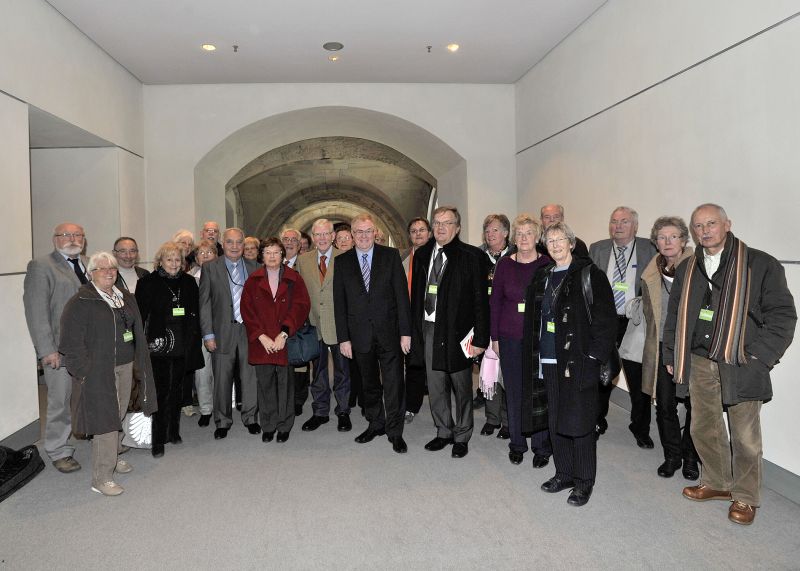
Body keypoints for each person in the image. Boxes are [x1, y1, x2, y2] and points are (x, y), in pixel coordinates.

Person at [663, 203, 796, 525]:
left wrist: (760, 358)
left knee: (746, 436)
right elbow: (675, 315)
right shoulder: (688, 267)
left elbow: (783, 317)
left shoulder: (760, 264)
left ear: (727, 225)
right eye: (698, 226)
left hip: (741, 363)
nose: (704, 230)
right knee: (703, 427)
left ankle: (746, 497)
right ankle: (718, 483)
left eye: (711, 223)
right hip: (697, 360)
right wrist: (671, 355)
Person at [523, 222, 617, 507]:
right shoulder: (542, 275)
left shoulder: (589, 274)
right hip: (548, 358)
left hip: (579, 360)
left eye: (559, 239)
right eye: (549, 240)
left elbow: (606, 322)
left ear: (571, 243)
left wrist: (593, 359)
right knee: (555, 420)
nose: (554, 244)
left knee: (581, 421)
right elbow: (533, 318)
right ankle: (563, 472)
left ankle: (584, 481)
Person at [59, 251, 156, 495]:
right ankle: (101, 478)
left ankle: (112, 456)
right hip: (98, 371)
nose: (109, 272)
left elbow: (134, 329)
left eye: (112, 268)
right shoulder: (81, 301)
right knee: (105, 421)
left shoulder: (123, 296)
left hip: (125, 366)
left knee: (119, 414)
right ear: (91, 273)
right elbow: (70, 343)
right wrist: (84, 372)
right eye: (102, 268)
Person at [410, 206, 490, 458]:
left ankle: (462, 435)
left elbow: (481, 302)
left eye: (447, 223)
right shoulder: (422, 254)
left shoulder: (471, 256)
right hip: (429, 328)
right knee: (435, 386)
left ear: (458, 227)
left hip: (458, 333)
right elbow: (415, 297)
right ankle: (443, 431)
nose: (441, 228)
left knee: (461, 386)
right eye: (437, 223)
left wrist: (480, 338)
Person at [333, 213, 412, 453]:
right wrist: (343, 338)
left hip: (389, 333)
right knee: (368, 385)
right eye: (359, 232)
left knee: (394, 383)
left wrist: (406, 333)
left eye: (368, 231)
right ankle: (375, 423)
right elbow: (340, 302)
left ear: (375, 232)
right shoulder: (343, 261)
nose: (364, 236)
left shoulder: (390, 256)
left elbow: (401, 296)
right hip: (359, 335)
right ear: (352, 234)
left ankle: (395, 431)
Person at [23, 222, 88, 473]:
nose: (72, 238)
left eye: (77, 234)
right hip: (60, 349)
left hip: (90, 346)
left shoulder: (89, 263)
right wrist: (46, 350)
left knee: (86, 395)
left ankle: (89, 433)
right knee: (60, 400)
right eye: (66, 235)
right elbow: (36, 312)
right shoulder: (41, 266)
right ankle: (58, 450)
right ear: (55, 239)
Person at [589, 206, 656, 445]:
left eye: (624, 222)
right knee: (603, 372)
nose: (618, 226)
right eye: (614, 221)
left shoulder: (650, 248)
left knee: (638, 376)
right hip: (605, 320)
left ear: (635, 226)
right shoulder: (597, 249)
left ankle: (640, 427)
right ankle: (597, 419)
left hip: (635, 322)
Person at [637, 217, 698, 479]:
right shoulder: (652, 270)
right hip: (662, 346)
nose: (668, 242)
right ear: (655, 242)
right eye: (662, 237)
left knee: (696, 406)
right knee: (664, 404)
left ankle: (691, 457)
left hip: (693, 348)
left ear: (684, 240)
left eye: (673, 236)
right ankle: (672, 455)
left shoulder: (698, 267)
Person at [490, 214, 552, 467]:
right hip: (510, 337)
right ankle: (517, 442)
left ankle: (541, 446)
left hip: (539, 340)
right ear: (514, 238)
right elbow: (494, 303)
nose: (524, 238)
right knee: (514, 390)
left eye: (529, 233)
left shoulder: (547, 264)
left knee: (539, 391)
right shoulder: (505, 265)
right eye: (520, 233)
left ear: (537, 237)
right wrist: (494, 337)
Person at [136, 242, 204, 457]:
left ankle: (173, 431)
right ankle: (158, 440)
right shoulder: (147, 283)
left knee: (178, 390)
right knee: (161, 391)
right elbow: (140, 316)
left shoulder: (189, 282)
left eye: (177, 260)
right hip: (159, 345)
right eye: (169, 259)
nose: (174, 264)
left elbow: (195, 313)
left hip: (184, 344)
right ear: (160, 261)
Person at [241, 238, 310, 443]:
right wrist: (261, 337)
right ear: (262, 256)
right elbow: (247, 311)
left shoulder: (293, 278)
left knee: (285, 385)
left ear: (282, 255)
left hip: (283, 340)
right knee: (265, 385)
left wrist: (284, 334)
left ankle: (284, 425)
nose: (272, 256)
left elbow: (300, 306)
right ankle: (268, 425)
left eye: (276, 252)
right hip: (262, 342)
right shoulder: (252, 280)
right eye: (268, 252)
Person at [199, 227, 260, 439]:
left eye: (239, 242)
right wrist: (208, 334)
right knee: (222, 379)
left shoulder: (255, 267)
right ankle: (222, 421)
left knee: (250, 377)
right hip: (222, 331)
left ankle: (250, 418)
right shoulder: (210, 268)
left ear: (244, 245)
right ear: (222, 244)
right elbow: (204, 303)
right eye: (230, 242)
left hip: (249, 332)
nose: (235, 246)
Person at [295, 219, 352, 431]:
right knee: (317, 372)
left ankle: (343, 411)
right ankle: (320, 412)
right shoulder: (303, 260)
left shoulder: (345, 257)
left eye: (326, 234)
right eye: (317, 235)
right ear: (312, 236)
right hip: (313, 325)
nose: (321, 238)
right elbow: (300, 294)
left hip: (340, 326)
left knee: (342, 372)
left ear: (333, 235)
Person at [477, 213, 511, 439]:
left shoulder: (517, 256)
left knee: (507, 374)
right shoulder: (478, 256)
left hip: (508, 324)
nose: (490, 235)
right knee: (488, 371)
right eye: (487, 231)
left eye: (495, 230)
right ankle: (492, 418)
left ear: (506, 233)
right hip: (484, 322)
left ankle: (509, 420)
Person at [402, 217, 432, 423]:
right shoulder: (402, 257)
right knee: (413, 362)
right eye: (413, 231)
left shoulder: (436, 255)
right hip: (408, 317)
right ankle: (411, 405)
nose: (418, 234)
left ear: (429, 233)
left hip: (431, 318)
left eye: (422, 230)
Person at [188, 239, 218, 427]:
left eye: (210, 252)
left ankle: (222, 405)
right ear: (196, 257)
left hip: (222, 328)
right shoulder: (188, 277)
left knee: (222, 371)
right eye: (201, 253)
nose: (205, 256)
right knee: (202, 372)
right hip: (199, 331)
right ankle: (206, 409)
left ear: (216, 255)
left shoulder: (224, 273)